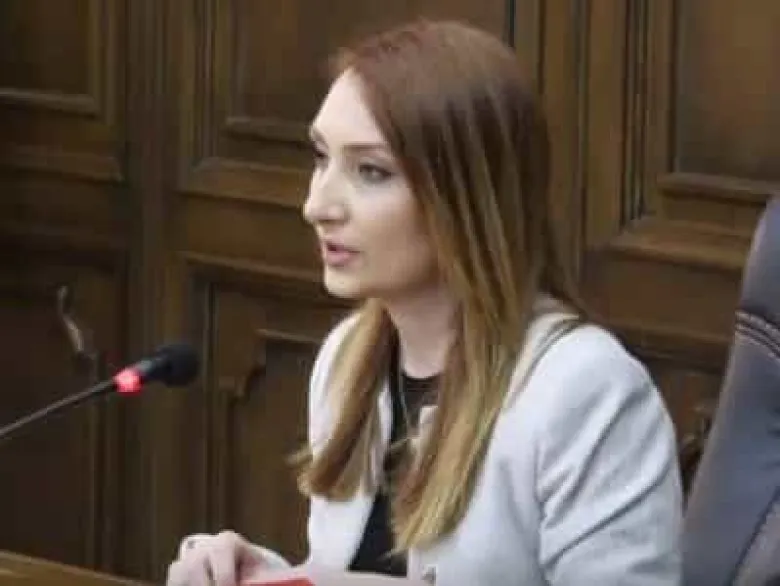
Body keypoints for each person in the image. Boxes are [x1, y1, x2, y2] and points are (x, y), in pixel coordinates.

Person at [166, 19, 682, 586]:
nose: (317, 206)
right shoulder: (346, 358)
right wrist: (263, 575)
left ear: (465, 196)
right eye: (320, 157)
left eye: (370, 171)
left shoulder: (587, 390)